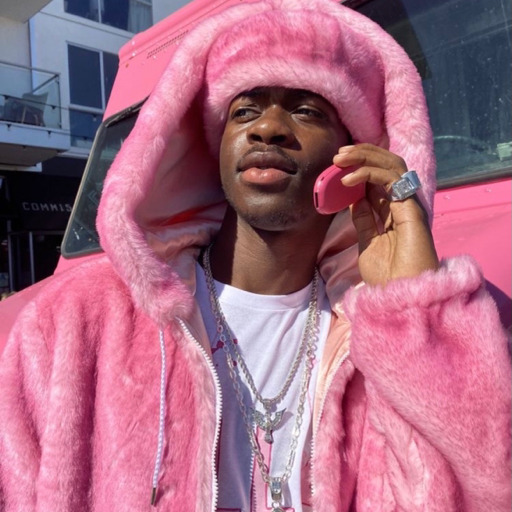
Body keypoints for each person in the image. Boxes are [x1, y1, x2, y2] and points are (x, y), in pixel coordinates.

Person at [0, 0, 510, 510]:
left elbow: (486, 489)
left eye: (307, 110)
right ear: (214, 147)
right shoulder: (72, 325)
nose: (268, 128)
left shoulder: (438, 326)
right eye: (244, 110)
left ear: (352, 156)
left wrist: (417, 314)